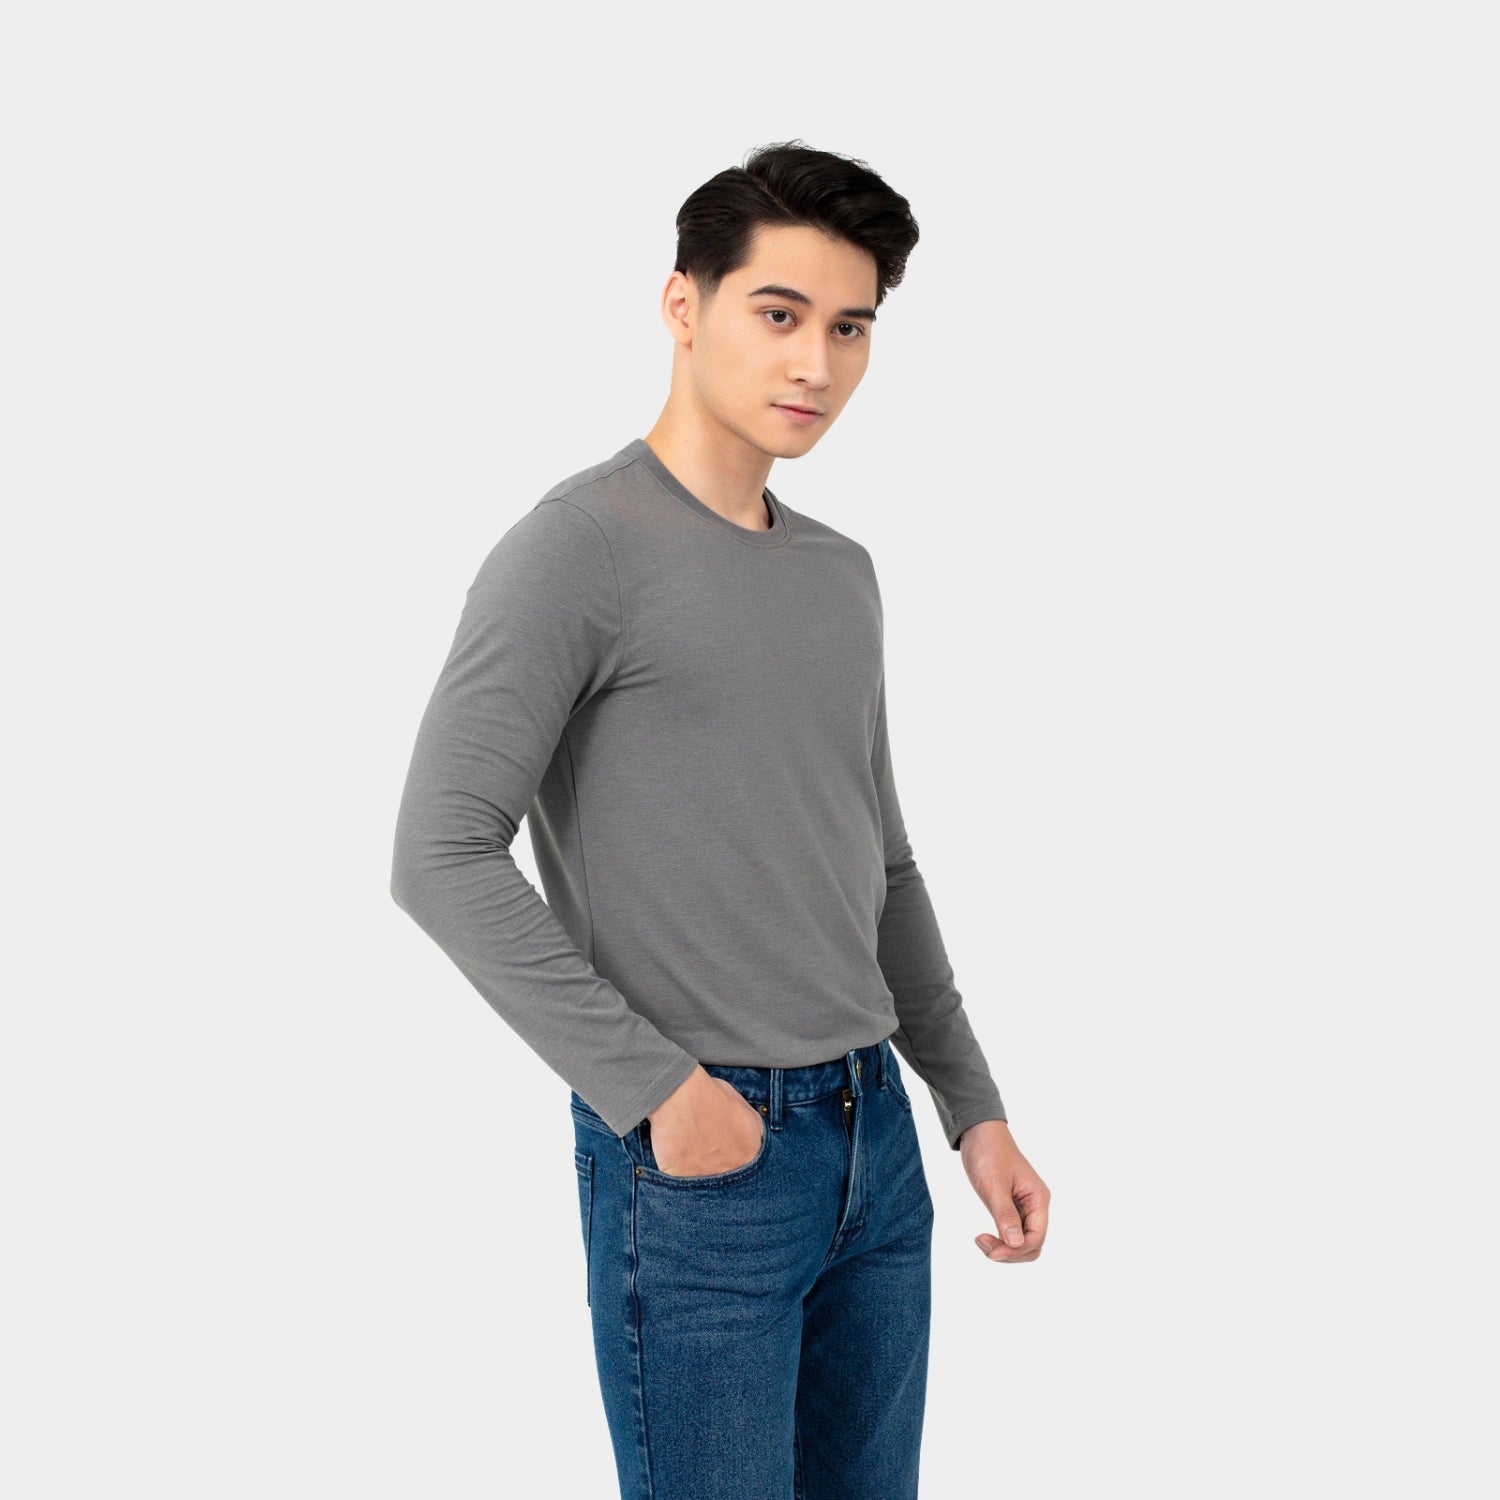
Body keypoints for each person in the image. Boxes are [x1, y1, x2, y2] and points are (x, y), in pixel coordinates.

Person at [389, 139, 1050, 1499]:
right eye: (779, 313)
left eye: (850, 327)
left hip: (875, 1140)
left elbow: (882, 864)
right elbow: (440, 853)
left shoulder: (841, 574)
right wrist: (656, 1092)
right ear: (682, 306)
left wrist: (970, 1106)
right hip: (706, 1160)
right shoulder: (578, 548)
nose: (817, 363)